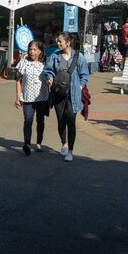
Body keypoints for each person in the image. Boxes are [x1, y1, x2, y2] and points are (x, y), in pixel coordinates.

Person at [41, 32, 89, 162]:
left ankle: (71, 151)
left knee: (71, 120)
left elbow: (85, 74)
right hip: (57, 92)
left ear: (68, 43)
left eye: (60, 41)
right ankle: (64, 144)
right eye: (58, 41)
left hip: (73, 94)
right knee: (61, 119)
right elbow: (47, 69)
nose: (58, 43)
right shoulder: (55, 56)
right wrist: (50, 77)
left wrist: (80, 86)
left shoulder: (79, 57)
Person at [15, 40, 50, 155]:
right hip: (27, 97)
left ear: (40, 51)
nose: (31, 52)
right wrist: (18, 98)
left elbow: (51, 77)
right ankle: (27, 144)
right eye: (30, 49)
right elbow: (18, 81)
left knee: (40, 121)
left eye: (34, 49)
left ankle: (39, 143)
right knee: (28, 120)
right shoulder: (24, 62)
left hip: (42, 97)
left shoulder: (46, 62)